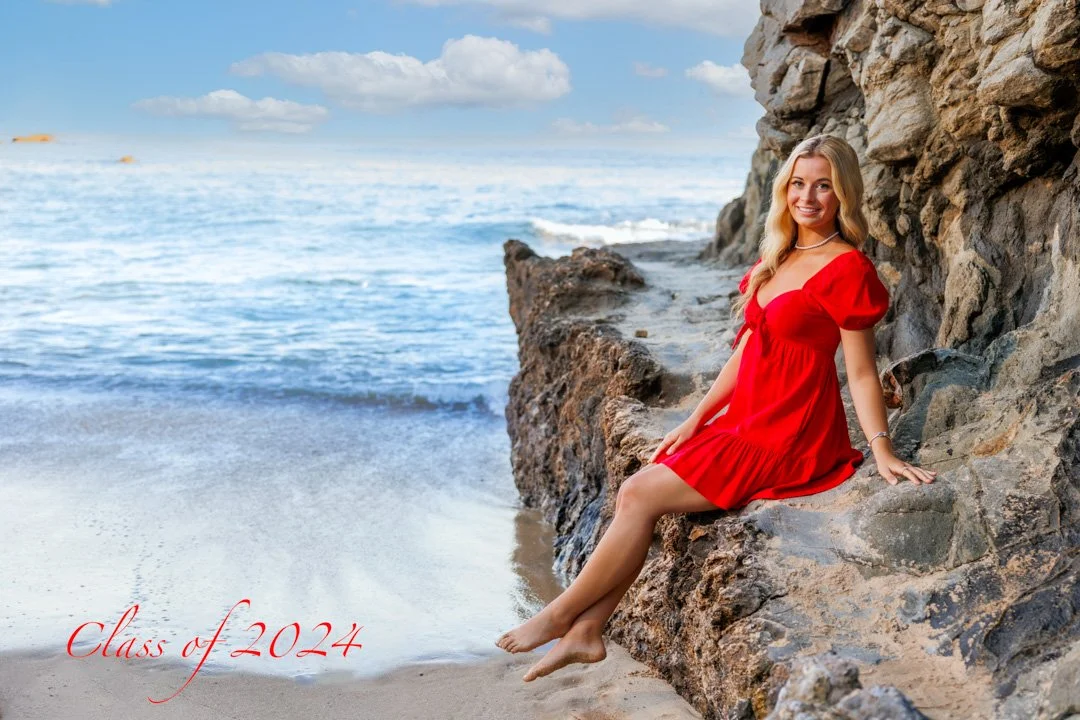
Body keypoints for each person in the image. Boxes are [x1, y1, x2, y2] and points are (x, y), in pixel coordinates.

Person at [495, 134, 938, 682]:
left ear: (843, 194)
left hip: (790, 432)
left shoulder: (847, 269)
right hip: (745, 419)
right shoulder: (776, 258)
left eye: (823, 185)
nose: (808, 196)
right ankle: (588, 632)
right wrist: (695, 419)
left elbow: (862, 372)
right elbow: (749, 350)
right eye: (798, 183)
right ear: (784, 191)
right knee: (639, 491)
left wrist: (882, 449)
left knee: (638, 494)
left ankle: (562, 617)